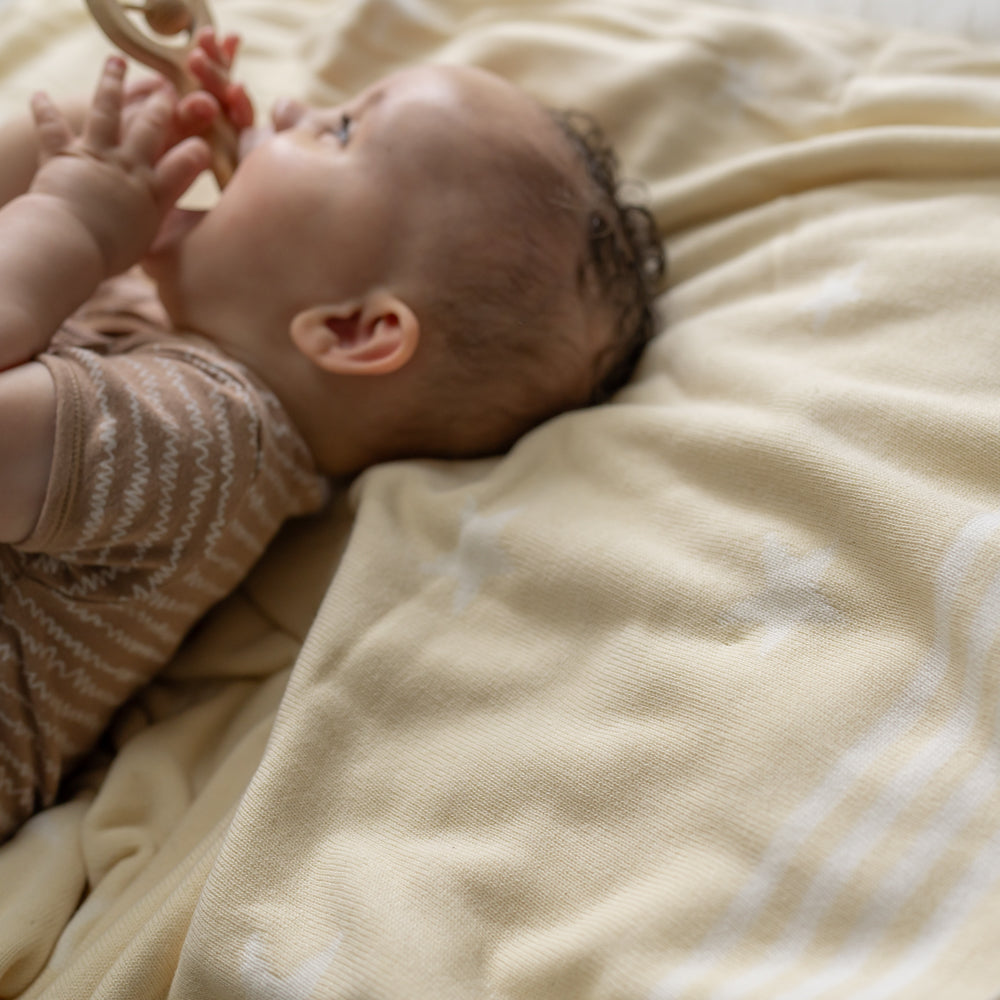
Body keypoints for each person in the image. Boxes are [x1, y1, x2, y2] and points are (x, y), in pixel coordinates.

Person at [0, 31, 665, 840]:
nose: (285, 108)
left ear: (351, 330)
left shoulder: (208, 441)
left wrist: (69, 219)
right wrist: (107, 137)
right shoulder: (164, 317)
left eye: (337, 131)